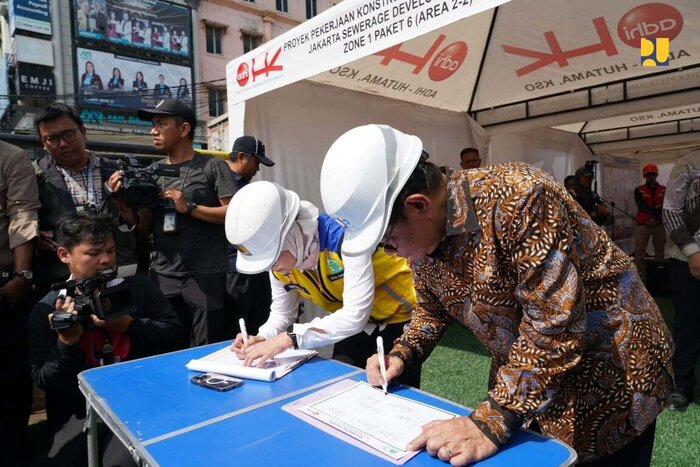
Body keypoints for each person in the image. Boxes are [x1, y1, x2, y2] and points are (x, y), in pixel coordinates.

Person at [319, 124, 674, 465]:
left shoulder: (522, 197)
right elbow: (431, 309)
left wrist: (493, 418)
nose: (393, 254)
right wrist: (402, 353)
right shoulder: (424, 238)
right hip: (528, 378)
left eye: (389, 242)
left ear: (419, 206)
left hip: (612, 375)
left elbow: (555, 322)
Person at [226, 181, 421, 386]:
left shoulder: (345, 237)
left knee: (393, 385)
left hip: (400, 318)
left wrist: (288, 338)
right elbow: (282, 313)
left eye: (271, 258)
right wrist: (264, 337)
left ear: (290, 235)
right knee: (342, 385)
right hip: (352, 323)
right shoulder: (283, 262)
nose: (269, 268)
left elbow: (355, 315)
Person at [29, 213, 184, 466]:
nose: (105, 260)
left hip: (141, 402)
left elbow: (176, 337)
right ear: (64, 255)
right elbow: (46, 380)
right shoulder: (49, 308)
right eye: (93, 253)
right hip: (80, 411)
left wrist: (130, 326)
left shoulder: (139, 287)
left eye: (110, 251)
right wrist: (67, 342)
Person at [109, 99, 237, 346]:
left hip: (206, 272)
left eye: (161, 124)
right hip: (163, 273)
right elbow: (143, 227)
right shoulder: (150, 172)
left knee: (207, 345)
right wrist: (121, 202)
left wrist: (189, 207)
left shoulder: (212, 165)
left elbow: (233, 213)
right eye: (153, 125)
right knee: (168, 342)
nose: (153, 131)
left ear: (184, 129)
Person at [33, 102, 140, 297]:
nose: (63, 144)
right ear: (42, 143)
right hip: (62, 281)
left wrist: (122, 204)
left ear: (83, 131)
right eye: (52, 139)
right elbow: (18, 220)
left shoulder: (118, 171)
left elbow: (141, 227)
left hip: (119, 275)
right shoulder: (33, 176)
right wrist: (34, 235)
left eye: (68, 134)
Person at [0, 140, 40, 466]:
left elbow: (22, 213)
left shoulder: (11, 157)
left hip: (5, 287)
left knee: (10, 388)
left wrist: (21, 277)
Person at [224, 136, 275, 337]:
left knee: (261, 320)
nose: (258, 169)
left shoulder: (247, 186)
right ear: (241, 157)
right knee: (238, 326)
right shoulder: (222, 183)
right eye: (256, 162)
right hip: (235, 266)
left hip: (258, 262)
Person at [662, 150, 700, 412]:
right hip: (688, 260)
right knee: (688, 325)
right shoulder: (688, 164)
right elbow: (671, 211)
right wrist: (692, 252)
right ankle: (683, 384)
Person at [634, 163, 666, 276]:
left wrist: (654, 219)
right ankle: (639, 275)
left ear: (656, 174)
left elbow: (664, 206)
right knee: (640, 251)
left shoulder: (663, 189)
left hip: (658, 224)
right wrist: (652, 218)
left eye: (653, 174)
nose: (651, 176)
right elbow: (641, 206)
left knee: (660, 250)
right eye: (648, 174)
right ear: (644, 176)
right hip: (643, 224)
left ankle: (659, 274)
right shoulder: (639, 190)